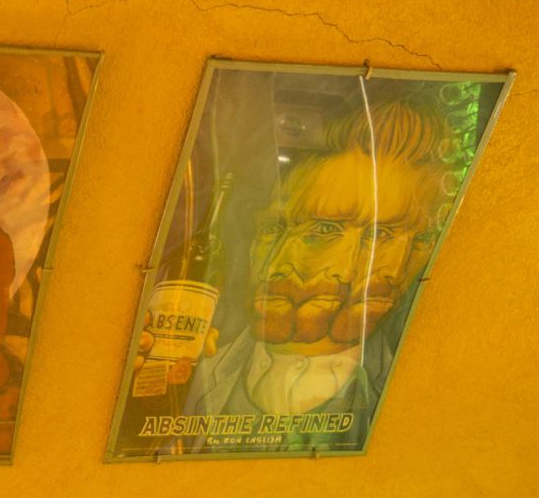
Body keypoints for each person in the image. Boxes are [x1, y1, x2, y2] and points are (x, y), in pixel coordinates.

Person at [145, 99, 452, 453]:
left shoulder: (415, 397)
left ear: (413, 249)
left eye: (324, 230)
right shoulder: (192, 371)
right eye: (273, 229)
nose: (275, 262)